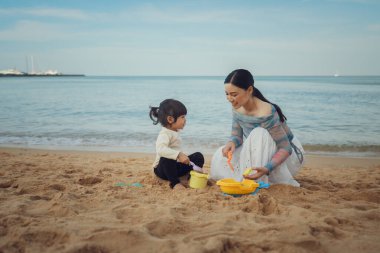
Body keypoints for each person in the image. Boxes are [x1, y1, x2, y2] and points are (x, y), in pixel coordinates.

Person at [210, 69, 304, 187]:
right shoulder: (237, 107)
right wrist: (232, 142)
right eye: (227, 94)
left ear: (249, 90)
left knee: (259, 133)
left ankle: (258, 179)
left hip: (286, 156)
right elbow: (237, 136)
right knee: (221, 153)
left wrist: (266, 168)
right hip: (259, 148)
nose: (229, 99)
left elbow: (286, 148)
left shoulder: (267, 112)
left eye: (234, 94)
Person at [149, 99, 205, 190]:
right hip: (162, 170)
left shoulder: (175, 132)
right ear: (170, 119)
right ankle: (174, 183)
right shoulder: (164, 134)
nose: (185, 120)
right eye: (182, 117)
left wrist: (182, 156)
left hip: (174, 168)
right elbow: (161, 149)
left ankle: (192, 177)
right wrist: (178, 155)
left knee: (198, 156)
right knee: (167, 158)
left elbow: (177, 149)